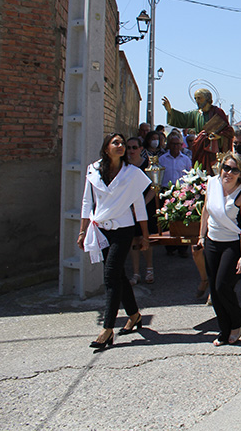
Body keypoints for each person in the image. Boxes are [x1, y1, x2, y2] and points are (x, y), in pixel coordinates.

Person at [79, 133, 152, 350]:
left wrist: (145, 236)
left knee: (110, 275)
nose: (121, 147)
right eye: (116, 143)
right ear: (106, 147)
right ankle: (134, 315)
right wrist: (83, 231)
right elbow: (86, 201)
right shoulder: (93, 170)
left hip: (123, 230)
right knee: (118, 275)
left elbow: (139, 206)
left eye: (123, 144)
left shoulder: (132, 174)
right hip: (101, 230)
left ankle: (107, 328)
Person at [196, 153, 241, 346]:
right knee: (214, 288)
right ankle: (224, 329)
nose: (228, 173)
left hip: (232, 244)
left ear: (240, 174)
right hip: (212, 242)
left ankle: (238, 320)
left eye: (234, 170)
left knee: (223, 286)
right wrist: (201, 236)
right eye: (226, 168)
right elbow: (205, 209)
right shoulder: (212, 184)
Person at [163, 88, 234, 176]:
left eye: (199, 98)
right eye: (195, 98)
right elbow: (183, 118)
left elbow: (228, 131)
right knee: (200, 169)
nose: (197, 101)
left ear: (207, 98)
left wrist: (219, 136)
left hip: (214, 149)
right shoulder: (196, 114)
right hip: (200, 147)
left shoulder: (217, 112)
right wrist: (170, 111)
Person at [125, 136, 160, 282]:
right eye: (129, 148)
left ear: (141, 149)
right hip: (128, 207)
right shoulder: (124, 166)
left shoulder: (147, 165)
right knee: (134, 239)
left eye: (134, 147)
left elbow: (154, 187)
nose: (131, 150)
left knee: (146, 238)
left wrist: (142, 204)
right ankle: (136, 273)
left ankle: (149, 269)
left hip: (146, 204)